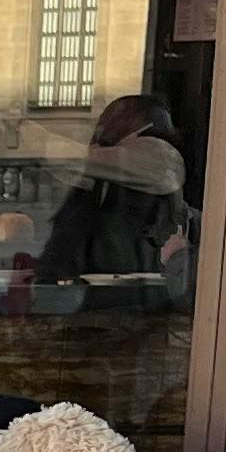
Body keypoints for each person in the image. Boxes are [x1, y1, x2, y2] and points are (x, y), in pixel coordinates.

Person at [38, 94, 194, 301]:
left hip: (135, 275)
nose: (102, 126)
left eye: (110, 119)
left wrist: (40, 140)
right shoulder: (113, 166)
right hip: (111, 276)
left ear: (131, 120)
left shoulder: (157, 153)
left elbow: (80, 160)